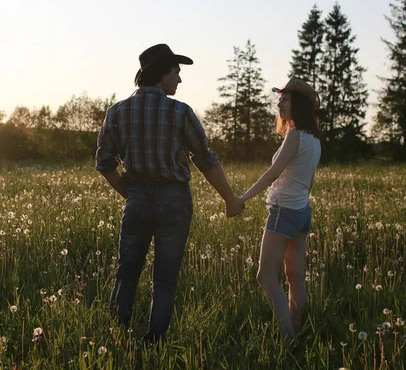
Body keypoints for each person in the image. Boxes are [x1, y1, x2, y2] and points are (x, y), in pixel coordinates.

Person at [95, 43, 244, 344]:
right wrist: (229, 198)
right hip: (175, 201)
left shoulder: (117, 112)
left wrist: (131, 193)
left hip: (136, 198)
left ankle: (116, 340)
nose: (179, 79)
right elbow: (205, 159)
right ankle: (154, 343)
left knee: (126, 274)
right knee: (164, 279)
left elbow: (104, 163)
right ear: (162, 73)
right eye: (176, 71)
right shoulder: (180, 112)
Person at [240, 78, 321, 341]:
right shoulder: (314, 140)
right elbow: (308, 181)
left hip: (284, 211)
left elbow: (273, 173)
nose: (279, 103)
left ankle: (287, 337)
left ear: (297, 105)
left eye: (285, 99)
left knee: (265, 276)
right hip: (301, 212)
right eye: (280, 99)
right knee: (295, 275)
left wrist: (243, 197)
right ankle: (298, 328)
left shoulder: (294, 135)